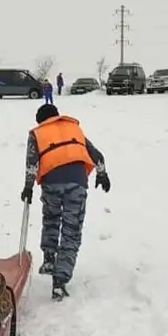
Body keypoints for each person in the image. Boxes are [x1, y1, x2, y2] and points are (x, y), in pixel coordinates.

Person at [20, 104, 110, 300]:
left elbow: (32, 162)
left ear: (41, 120)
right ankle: (60, 281)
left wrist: (28, 187)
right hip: (77, 182)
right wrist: (102, 174)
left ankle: (49, 258)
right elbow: (97, 155)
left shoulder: (38, 133)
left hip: (51, 182)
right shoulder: (73, 129)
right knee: (71, 230)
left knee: (51, 218)